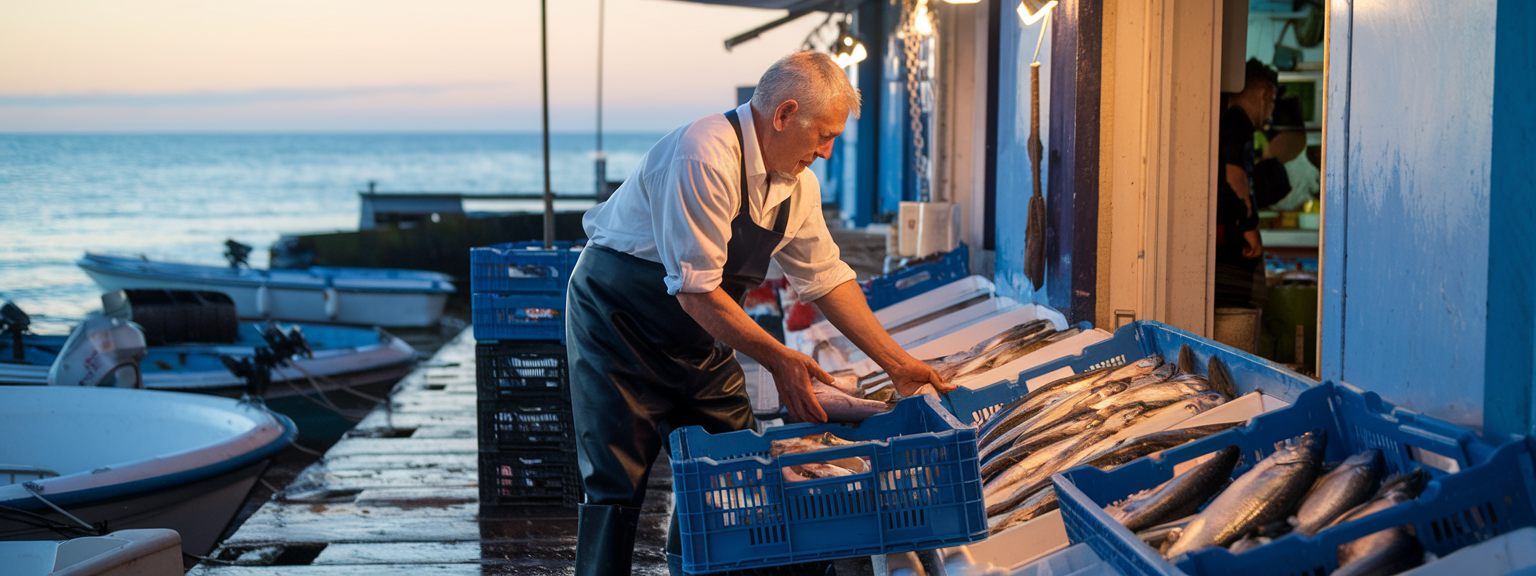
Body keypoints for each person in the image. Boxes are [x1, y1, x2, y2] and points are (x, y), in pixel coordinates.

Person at [566, 51, 953, 576]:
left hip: (701, 335)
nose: (827, 152)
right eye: (823, 136)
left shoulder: (798, 187)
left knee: (730, 464)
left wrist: (898, 364)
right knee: (616, 480)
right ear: (784, 113)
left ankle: (691, 566)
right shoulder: (702, 155)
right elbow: (696, 290)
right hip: (618, 322)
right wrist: (778, 359)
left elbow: (827, 279)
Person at [1215, 59, 1289, 309]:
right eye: (1273, 101)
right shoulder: (1239, 122)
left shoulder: (1225, 117)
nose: (1271, 111)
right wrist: (1250, 227)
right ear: (1264, 93)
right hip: (1228, 236)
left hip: (1222, 235)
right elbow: (1235, 175)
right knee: (1236, 309)